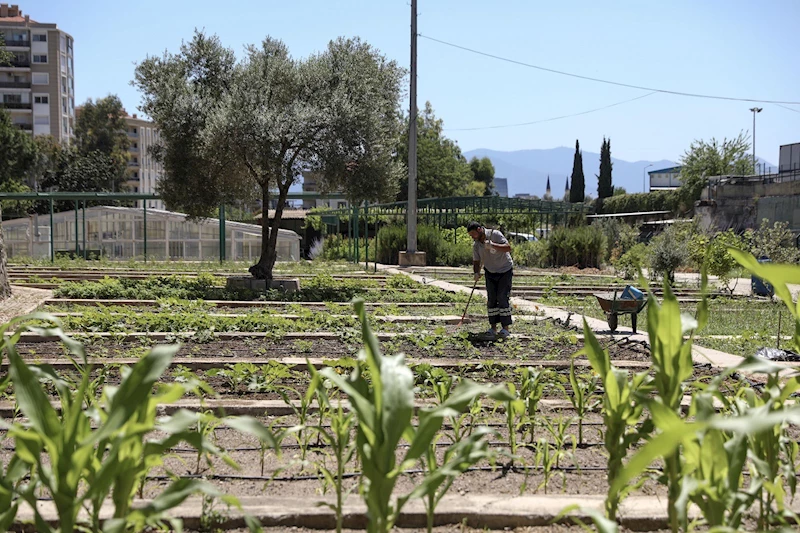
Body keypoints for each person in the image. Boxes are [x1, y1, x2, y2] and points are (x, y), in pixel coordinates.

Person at [467, 221, 513, 339]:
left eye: (473, 234)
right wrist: (476, 273)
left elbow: (508, 248)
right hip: (490, 271)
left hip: (504, 270)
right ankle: (493, 328)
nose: (472, 237)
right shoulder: (476, 245)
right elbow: (476, 261)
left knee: (502, 298)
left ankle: (505, 329)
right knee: (491, 299)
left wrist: (492, 245)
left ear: (479, 230)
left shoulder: (495, 234)